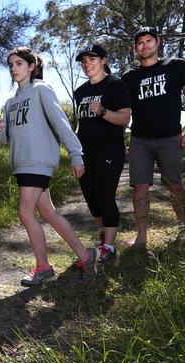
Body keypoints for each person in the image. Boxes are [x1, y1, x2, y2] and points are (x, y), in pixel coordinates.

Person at [0, 46, 98, 286]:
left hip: (38, 161)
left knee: (25, 213)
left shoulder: (41, 90)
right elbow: (3, 139)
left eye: (19, 63)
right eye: (10, 65)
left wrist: (76, 153)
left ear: (31, 66)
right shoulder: (10, 102)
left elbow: (61, 124)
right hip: (22, 163)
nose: (13, 69)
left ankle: (43, 267)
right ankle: (86, 255)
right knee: (48, 212)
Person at [121, 27, 185, 246]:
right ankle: (141, 236)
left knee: (175, 183)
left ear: (158, 42)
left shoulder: (176, 66)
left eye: (149, 41)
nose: (144, 46)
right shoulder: (129, 77)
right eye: (140, 43)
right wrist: (121, 139)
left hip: (170, 138)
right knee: (139, 187)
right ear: (135, 48)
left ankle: (184, 228)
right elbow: (124, 112)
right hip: (140, 140)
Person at [74, 44, 131, 262]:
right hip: (85, 151)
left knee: (105, 195)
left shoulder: (116, 85)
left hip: (110, 149)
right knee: (91, 198)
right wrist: (74, 151)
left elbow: (125, 119)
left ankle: (109, 245)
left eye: (92, 59)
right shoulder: (80, 92)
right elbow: (81, 124)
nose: (87, 63)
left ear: (104, 60)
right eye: (84, 61)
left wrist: (104, 111)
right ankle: (104, 233)